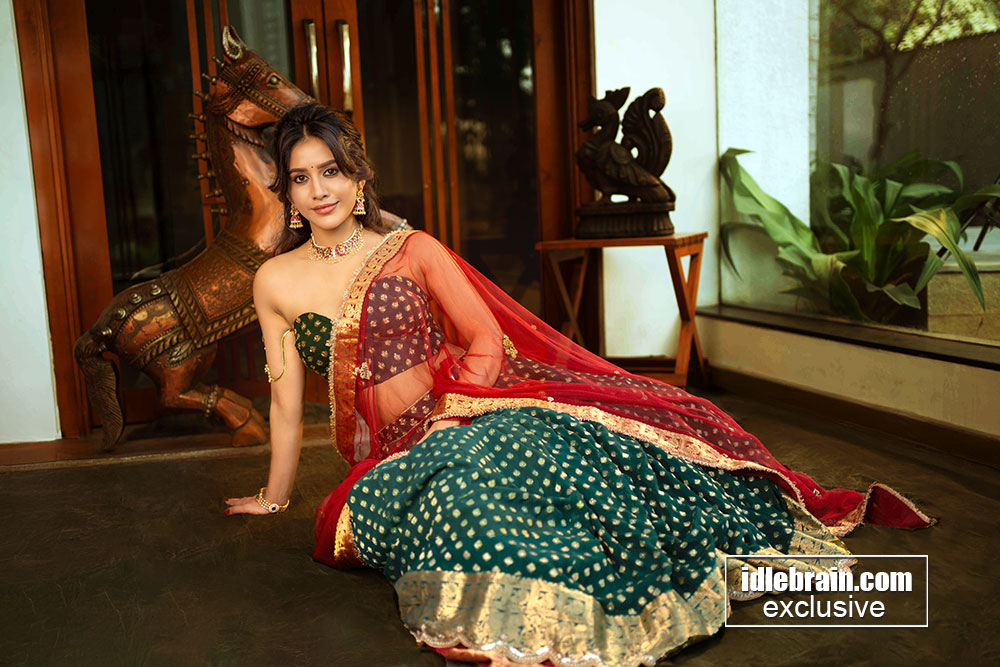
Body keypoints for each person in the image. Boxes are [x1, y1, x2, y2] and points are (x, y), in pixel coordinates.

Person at [225, 102, 932, 666]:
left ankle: (570, 611)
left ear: (358, 177)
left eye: (331, 171)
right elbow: (285, 402)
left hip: (464, 418)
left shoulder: (411, 249)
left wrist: (452, 413)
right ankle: (524, 618)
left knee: (574, 477)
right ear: (287, 192)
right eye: (300, 178)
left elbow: (484, 341)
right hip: (389, 462)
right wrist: (275, 494)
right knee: (460, 505)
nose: (318, 190)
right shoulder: (275, 281)